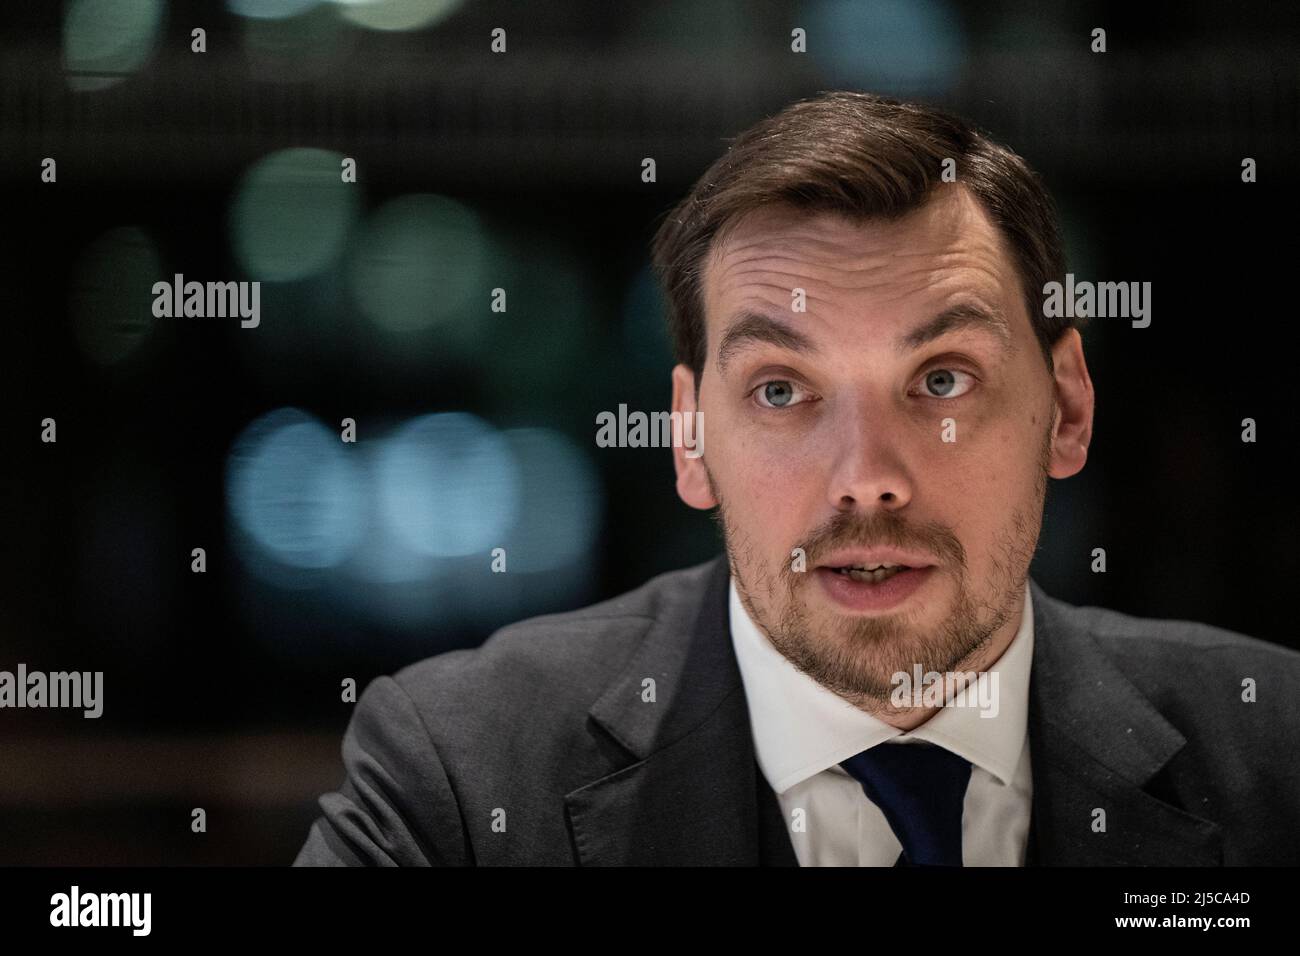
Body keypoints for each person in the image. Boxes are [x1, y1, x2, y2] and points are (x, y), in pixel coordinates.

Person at [293, 91, 1299, 866]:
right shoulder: (461, 776)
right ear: (690, 437)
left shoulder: (1275, 749)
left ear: (1067, 408)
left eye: (939, 379)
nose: (866, 480)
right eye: (781, 390)